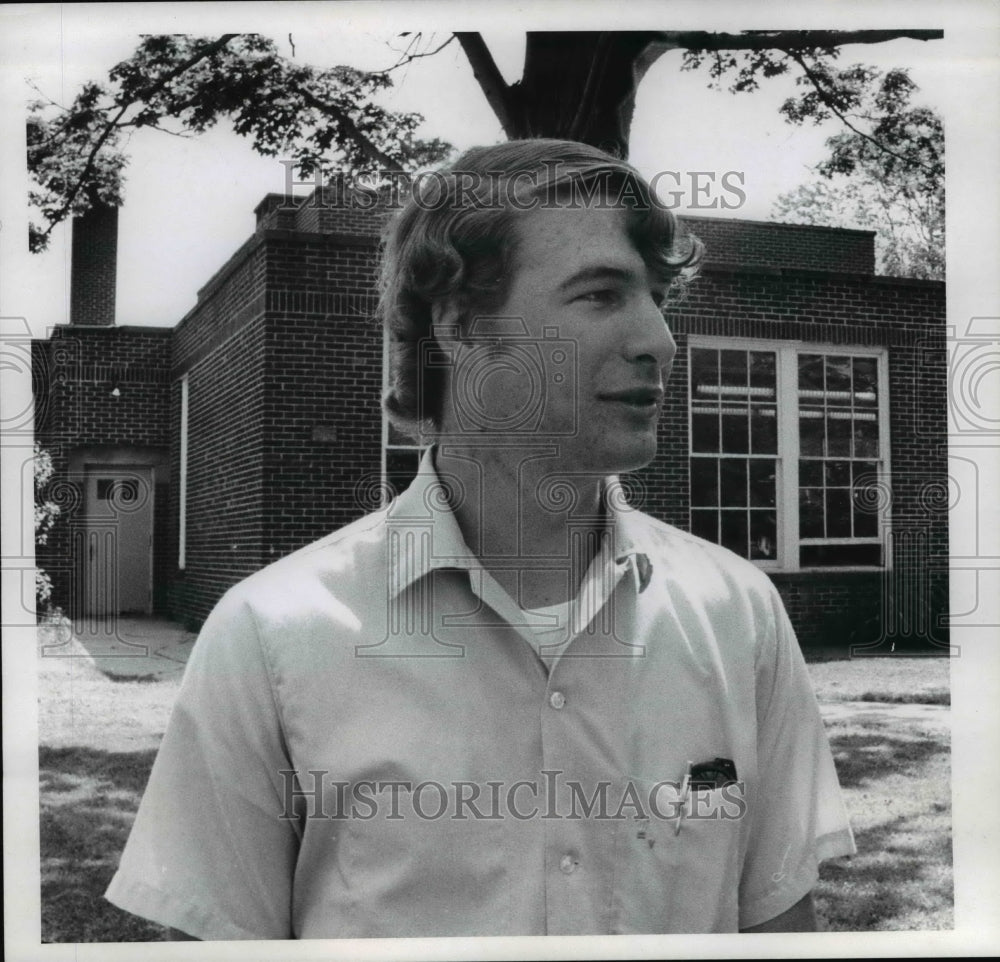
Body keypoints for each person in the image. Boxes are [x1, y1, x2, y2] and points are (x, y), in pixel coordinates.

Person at [105, 139, 855, 939]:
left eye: (658, 298)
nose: (660, 341)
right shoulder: (271, 639)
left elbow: (781, 931)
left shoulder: (739, 616)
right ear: (459, 325)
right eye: (601, 295)